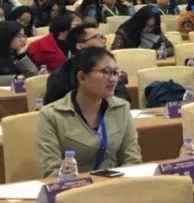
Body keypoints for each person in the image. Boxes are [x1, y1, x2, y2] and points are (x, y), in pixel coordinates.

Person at [35, 47, 162, 177]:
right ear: (82, 77)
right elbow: (50, 171)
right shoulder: (51, 115)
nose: (113, 79)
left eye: (115, 72)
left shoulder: (121, 107)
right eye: (106, 72)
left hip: (117, 184)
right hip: (73, 187)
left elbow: (132, 159)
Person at [0, 20, 38, 86]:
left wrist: (21, 55)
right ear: (7, 37)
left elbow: (34, 74)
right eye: (17, 36)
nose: (22, 40)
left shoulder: (20, 53)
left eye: (23, 35)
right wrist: (16, 78)